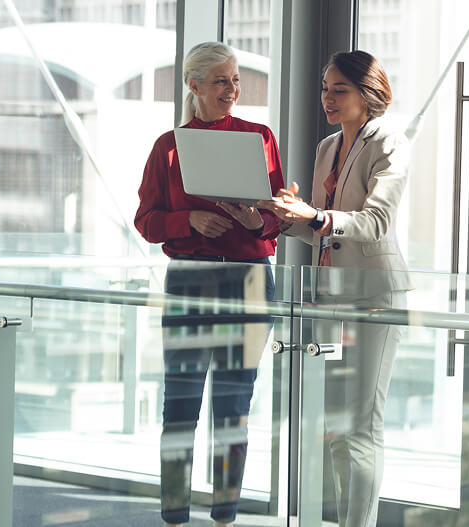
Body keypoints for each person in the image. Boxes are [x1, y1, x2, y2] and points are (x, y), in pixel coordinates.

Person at [135, 41, 285, 527]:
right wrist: (189, 220)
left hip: (249, 281)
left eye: (235, 80)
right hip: (190, 280)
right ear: (194, 85)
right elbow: (146, 220)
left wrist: (255, 219)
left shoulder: (259, 137)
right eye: (221, 80)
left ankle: (225, 515)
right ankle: (174, 514)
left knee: (233, 404)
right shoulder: (168, 147)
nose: (232, 89)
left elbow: (278, 218)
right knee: (180, 403)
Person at [259, 50, 411, 527]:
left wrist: (317, 216)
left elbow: (374, 222)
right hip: (328, 296)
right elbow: (324, 232)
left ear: (368, 94)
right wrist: (282, 219)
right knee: (335, 428)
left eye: (339, 90)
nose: (327, 97)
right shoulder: (328, 146)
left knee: (361, 427)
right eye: (325, 88)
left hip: (375, 297)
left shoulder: (389, 141)